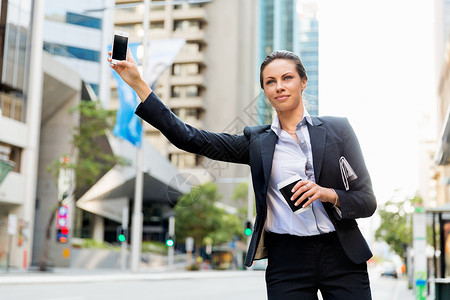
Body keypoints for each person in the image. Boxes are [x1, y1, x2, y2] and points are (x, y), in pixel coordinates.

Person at [108, 49, 377, 300]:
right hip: (288, 259)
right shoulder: (257, 142)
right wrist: (138, 84)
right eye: (270, 82)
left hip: (341, 253)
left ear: (303, 82)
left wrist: (328, 194)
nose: (279, 86)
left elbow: (367, 200)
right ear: (265, 91)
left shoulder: (338, 130)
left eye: (287, 78)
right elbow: (190, 138)